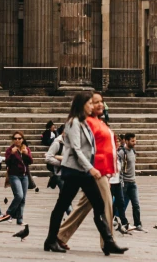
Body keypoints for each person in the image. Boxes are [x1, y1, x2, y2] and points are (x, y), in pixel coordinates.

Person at [44, 91, 124, 255]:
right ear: (82, 105)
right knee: (64, 206)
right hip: (79, 171)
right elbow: (76, 148)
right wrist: (92, 168)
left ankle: (106, 241)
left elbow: (92, 148)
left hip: (86, 171)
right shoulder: (75, 122)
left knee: (97, 205)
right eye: (91, 103)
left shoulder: (86, 122)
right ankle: (53, 239)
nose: (94, 105)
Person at [5, 130, 33, 225]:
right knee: (19, 195)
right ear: (13, 140)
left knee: (23, 198)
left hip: (24, 176)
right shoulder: (10, 150)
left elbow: (30, 161)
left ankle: (19, 219)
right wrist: (12, 154)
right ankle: (9, 213)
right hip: (14, 175)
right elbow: (7, 162)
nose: (17, 140)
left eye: (19, 138)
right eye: (15, 138)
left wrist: (25, 154)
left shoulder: (26, 149)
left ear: (22, 139)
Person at [119, 133, 144, 233]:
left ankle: (137, 224)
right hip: (124, 182)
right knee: (120, 204)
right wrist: (120, 181)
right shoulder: (121, 152)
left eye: (135, 140)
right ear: (126, 141)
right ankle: (117, 222)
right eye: (132, 141)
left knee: (136, 204)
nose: (135, 143)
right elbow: (119, 168)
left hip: (133, 182)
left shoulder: (133, 151)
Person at [109, 135, 129, 231]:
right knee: (109, 203)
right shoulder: (107, 154)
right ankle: (106, 219)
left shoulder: (118, 155)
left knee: (120, 202)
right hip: (109, 182)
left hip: (118, 182)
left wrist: (122, 180)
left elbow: (120, 169)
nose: (117, 144)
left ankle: (124, 221)